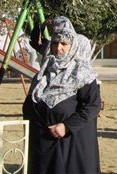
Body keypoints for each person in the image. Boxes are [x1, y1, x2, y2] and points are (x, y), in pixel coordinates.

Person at [23, 16, 101, 174]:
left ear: (73, 47)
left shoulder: (82, 74)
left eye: (64, 44)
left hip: (69, 145)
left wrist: (67, 126)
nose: (58, 48)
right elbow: (35, 41)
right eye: (55, 43)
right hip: (42, 143)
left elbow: (92, 106)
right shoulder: (46, 70)